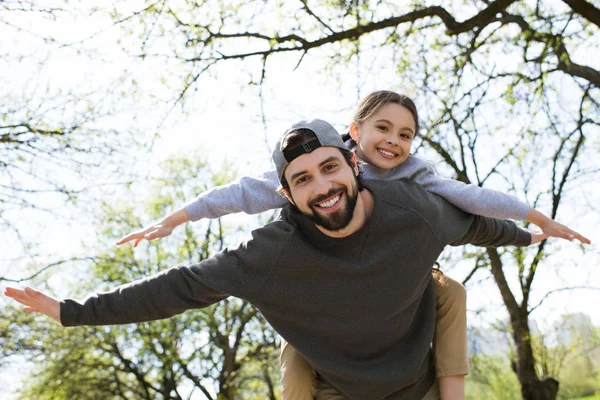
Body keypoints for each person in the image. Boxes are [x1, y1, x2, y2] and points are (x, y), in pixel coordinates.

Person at [7, 119, 552, 399]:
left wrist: (534, 236)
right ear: (286, 196)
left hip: (422, 384)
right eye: (302, 180)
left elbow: (477, 226)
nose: (323, 187)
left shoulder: (414, 211)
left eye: (329, 168)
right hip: (337, 391)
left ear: (354, 166)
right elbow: (176, 288)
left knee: (449, 290)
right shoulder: (267, 256)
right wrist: (71, 311)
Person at [115, 91, 589, 400]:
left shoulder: (415, 179)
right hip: (317, 287)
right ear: (354, 133)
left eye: (405, 135)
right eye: (382, 129)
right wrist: (173, 219)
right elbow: (237, 196)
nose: (394, 142)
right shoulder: (320, 161)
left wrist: (532, 224)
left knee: (452, 293)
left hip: (401, 276)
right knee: (299, 358)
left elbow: (471, 207)